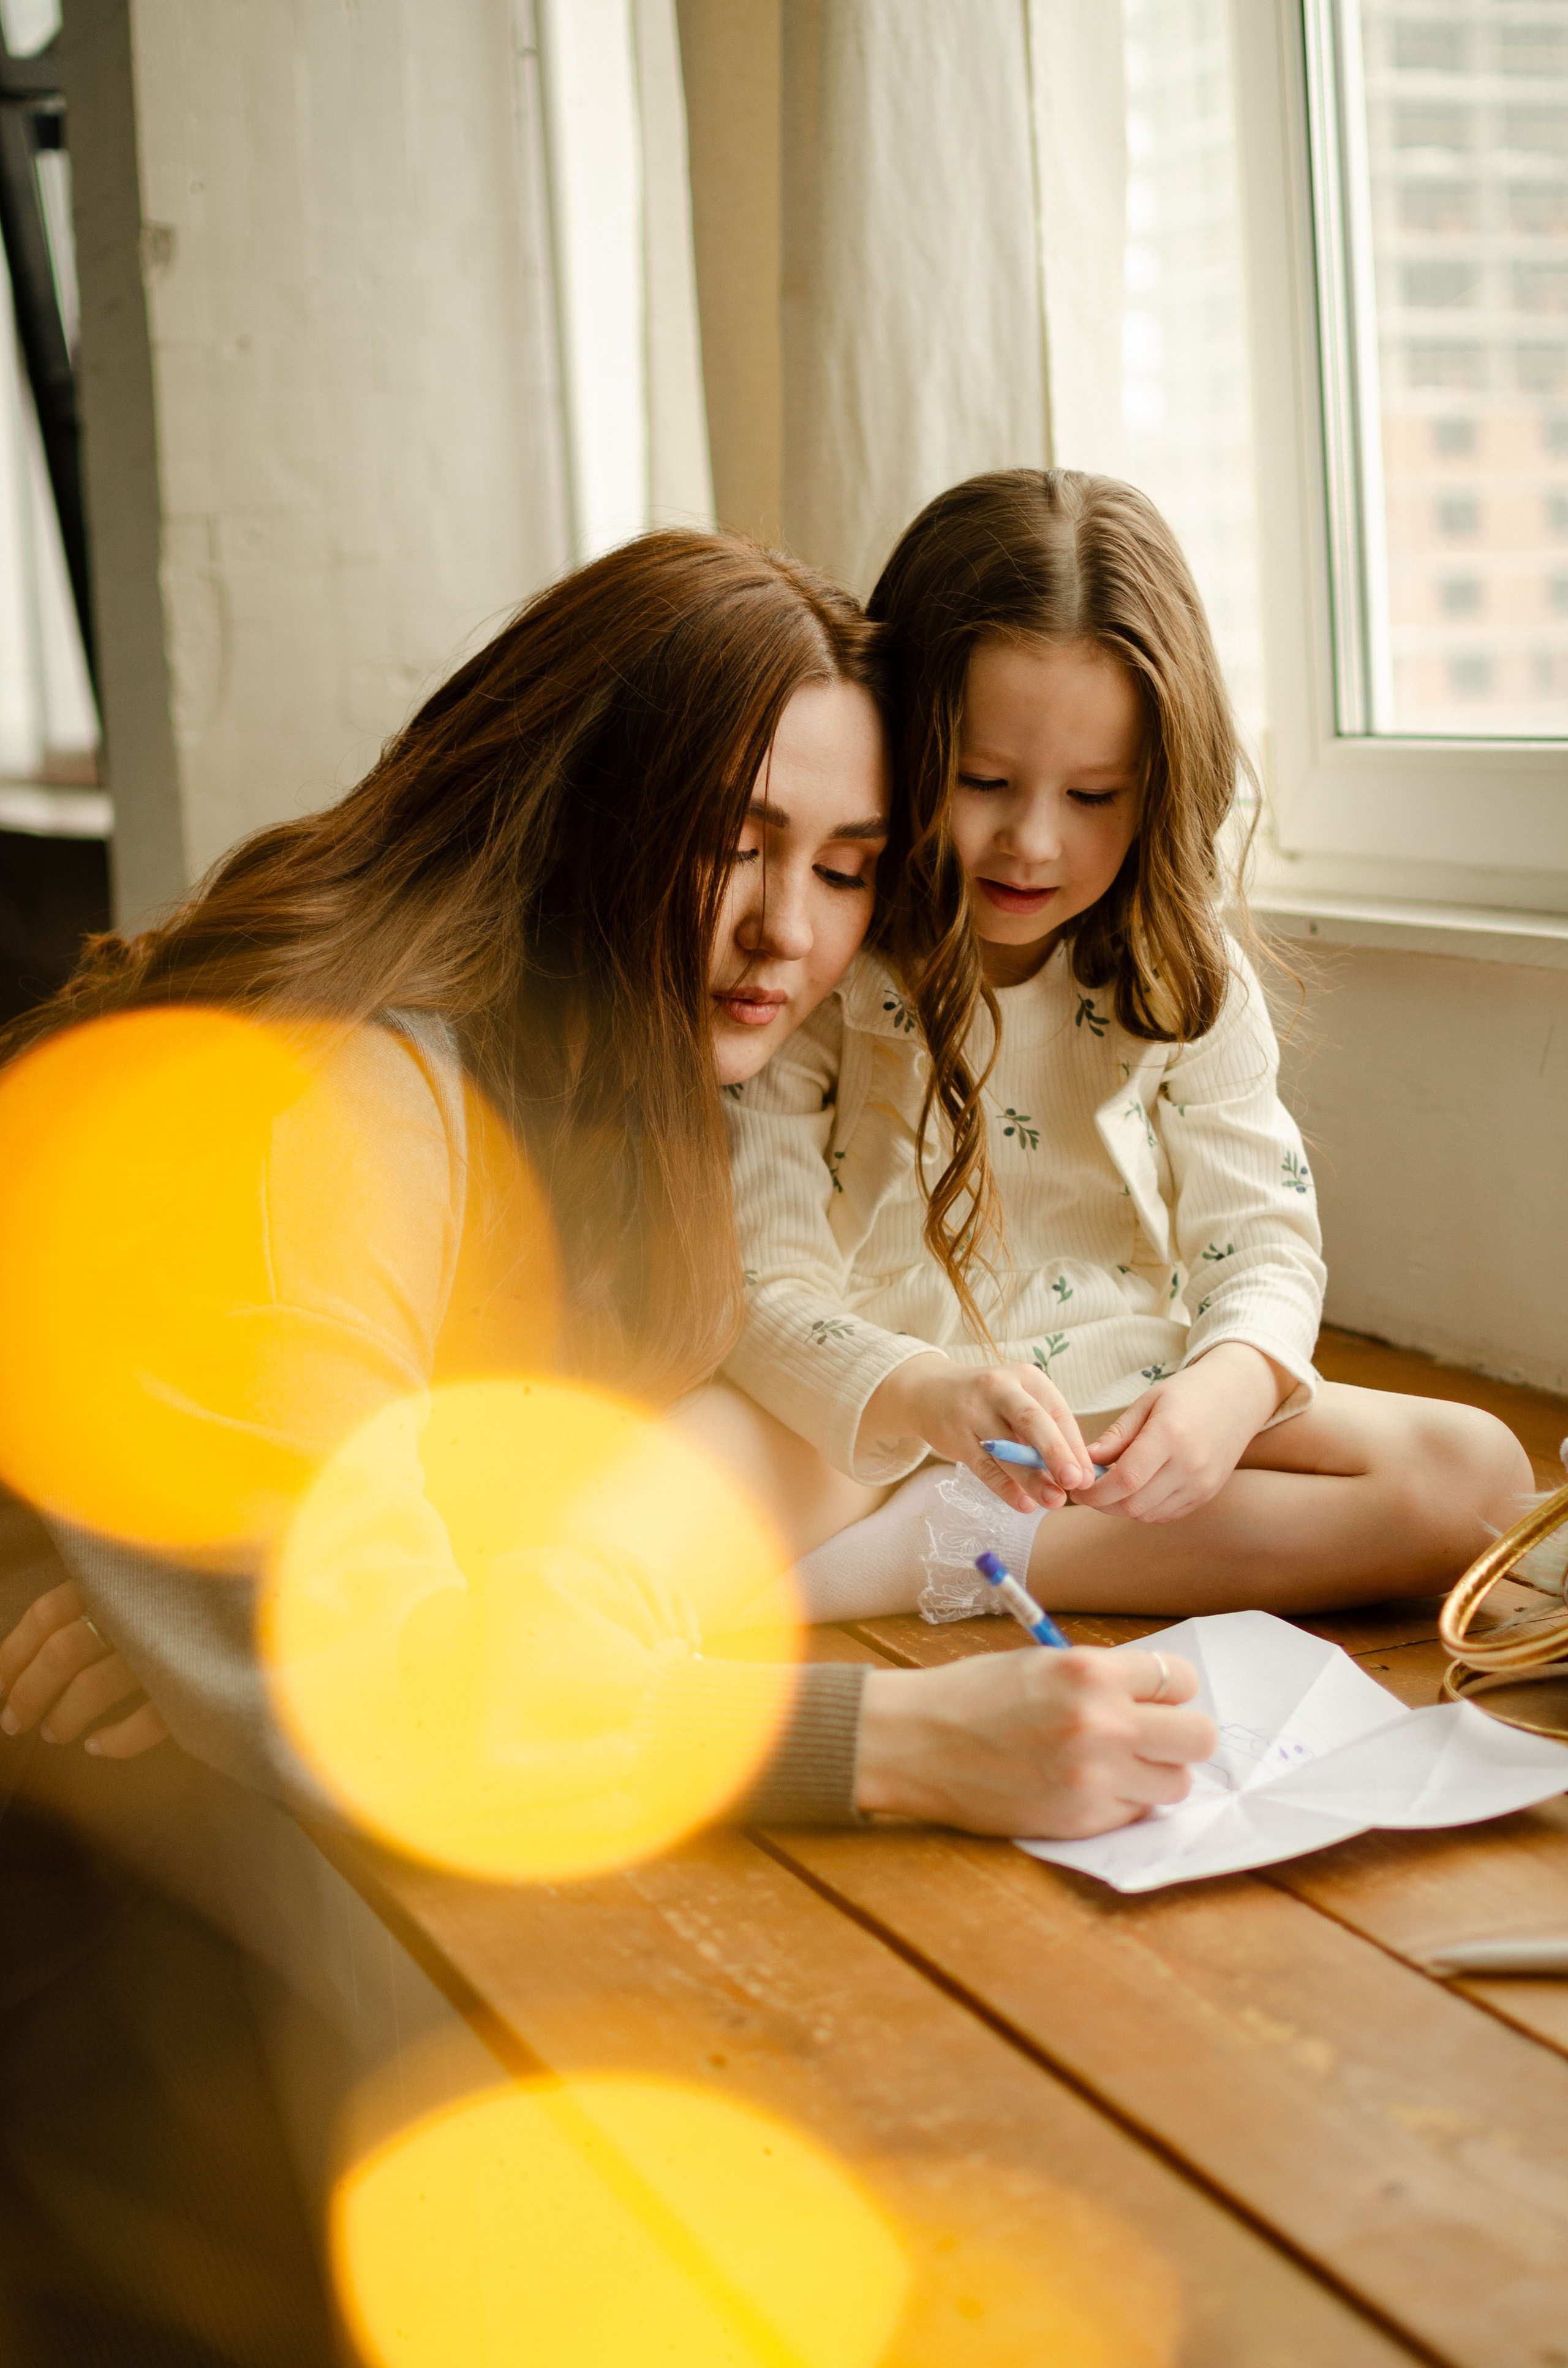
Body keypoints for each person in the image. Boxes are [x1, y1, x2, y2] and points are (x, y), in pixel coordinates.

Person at [0, 528, 1214, 1842]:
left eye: (843, 869)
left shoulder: (645, 1069)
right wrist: (904, 1741)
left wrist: (215, 1593)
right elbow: (389, 1697)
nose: (786, 930)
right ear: (569, 812)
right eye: (729, 845)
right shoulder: (334, 1106)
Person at [710, 471, 1531, 1625]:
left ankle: (949, 1554)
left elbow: (1263, 1239)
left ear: (1160, 786)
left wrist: (1228, 1388)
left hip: (1117, 1394)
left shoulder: (1179, 964)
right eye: (982, 781)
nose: (1033, 842)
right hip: (878, 1408)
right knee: (665, 1491)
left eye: (1095, 794)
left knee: (1480, 1478)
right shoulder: (824, 954)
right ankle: (905, 1538)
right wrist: (929, 1393)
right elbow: (764, 1282)